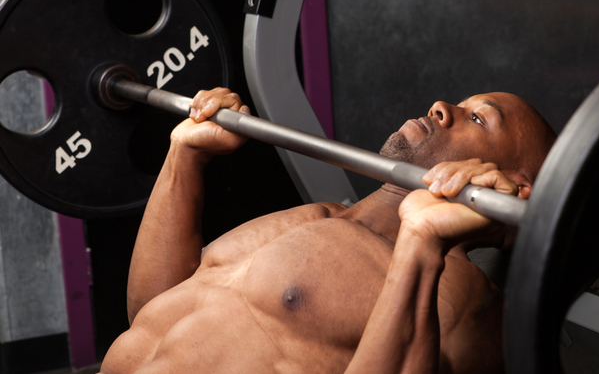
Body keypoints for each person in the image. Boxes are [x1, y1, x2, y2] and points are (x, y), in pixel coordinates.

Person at [99, 88, 557, 374]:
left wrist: (423, 240)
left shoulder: (456, 291)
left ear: (517, 188)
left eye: (478, 118)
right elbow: (149, 315)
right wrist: (184, 157)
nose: (442, 107)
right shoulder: (318, 216)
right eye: (460, 102)